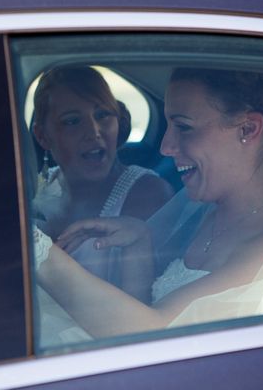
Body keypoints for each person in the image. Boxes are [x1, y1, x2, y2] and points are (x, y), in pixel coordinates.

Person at [35, 68, 263, 338]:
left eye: (184, 127)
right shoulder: (209, 212)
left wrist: (39, 252)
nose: (166, 146)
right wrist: (139, 240)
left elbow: (152, 336)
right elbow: (141, 312)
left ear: (247, 129)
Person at [32, 64, 173, 302]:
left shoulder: (148, 193)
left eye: (102, 115)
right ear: (43, 136)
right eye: (73, 121)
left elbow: (146, 307)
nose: (94, 131)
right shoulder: (38, 187)